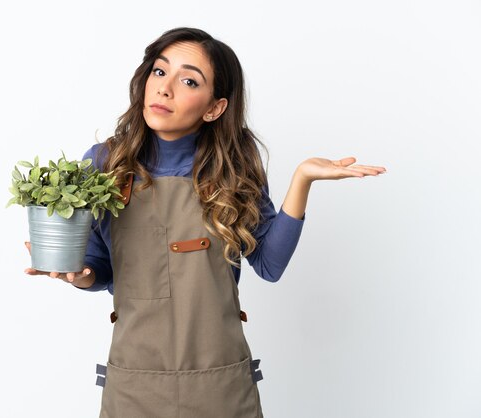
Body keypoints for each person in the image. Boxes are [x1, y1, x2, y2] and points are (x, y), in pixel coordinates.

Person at [24, 27, 385, 418]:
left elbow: (270, 265)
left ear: (214, 108)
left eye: (189, 80)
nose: (165, 88)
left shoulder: (234, 167)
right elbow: (103, 271)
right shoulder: (106, 163)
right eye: (160, 72)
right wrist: (79, 275)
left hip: (221, 386)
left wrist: (302, 180)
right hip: (135, 386)